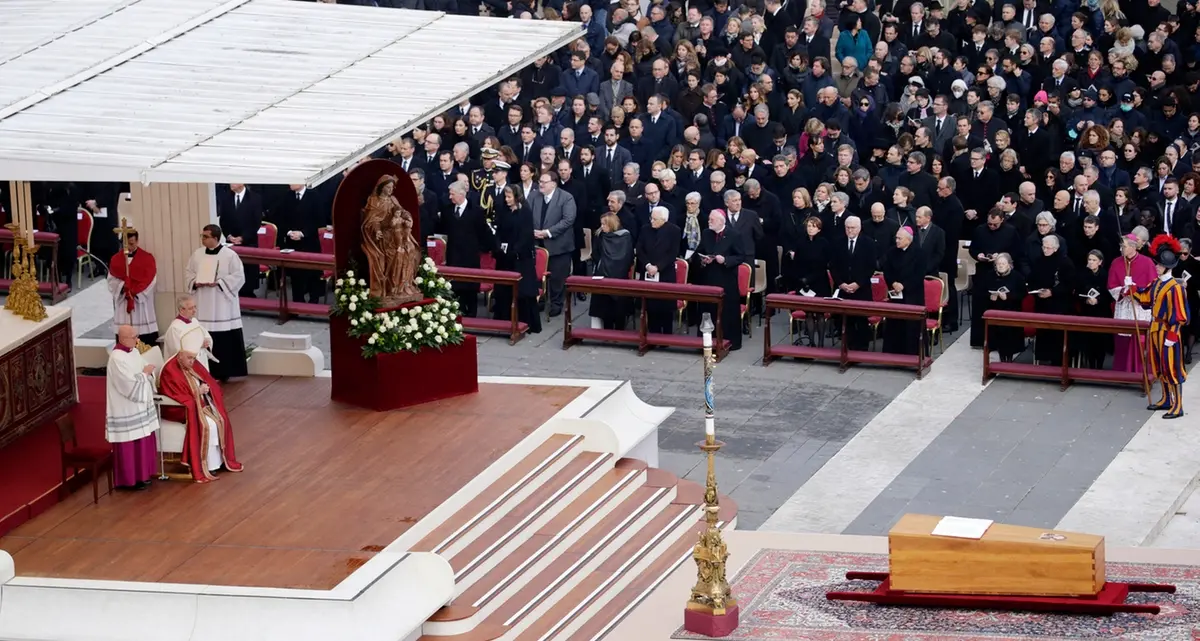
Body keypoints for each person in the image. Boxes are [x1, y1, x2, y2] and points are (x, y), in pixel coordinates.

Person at [158, 350, 245, 482]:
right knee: (208, 424)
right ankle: (207, 465)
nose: (192, 361)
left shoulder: (191, 363)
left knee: (219, 419)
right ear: (180, 356)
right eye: (189, 358)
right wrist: (197, 392)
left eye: (194, 358)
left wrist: (207, 389)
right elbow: (174, 395)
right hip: (179, 409)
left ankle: (219, 461)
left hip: (199, 404)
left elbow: (208, 379)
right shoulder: (170, 370)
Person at [1128, 235, 1190, 419]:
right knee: (1160, 367)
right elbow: (1146, 299)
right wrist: (1132, 288)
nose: (1156, 267)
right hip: (1155, 330)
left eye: (1159, 265)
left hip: (1168, 333)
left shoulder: (1175, 288)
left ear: (1166, 267)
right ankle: (1166, 399)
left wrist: (1172, 336)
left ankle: (1177, 405)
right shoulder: (1155, 283)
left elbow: (1181, 316)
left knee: (1172, 369)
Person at [185, 224, 248, 382]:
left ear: (215, 238)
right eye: (202, 236)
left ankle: (223, 372)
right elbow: (188, 273)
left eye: (205, 237)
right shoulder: (197, 254)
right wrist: (195, 282)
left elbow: (239, 276)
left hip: (222, 305)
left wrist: (220, 283)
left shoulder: (230, 255)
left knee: (222, 339)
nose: (203, 239)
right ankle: (205, 371)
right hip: (203, 301)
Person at [105, 325, 161, 491]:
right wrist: (144, 374)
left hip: (140, 406)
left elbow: (145, 369)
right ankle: (129, 480)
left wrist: (148, 373)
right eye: (133, 337)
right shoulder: (117, 358)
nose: (137, 340)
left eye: (137, 336)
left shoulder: (134, 352)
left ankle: (144, 475)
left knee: (143, 439)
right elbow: (127, 385)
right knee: (130, 443)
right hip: (126, 407)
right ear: (122, 339)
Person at [491, 181, 542, 333]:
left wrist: (515, 250)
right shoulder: (503, 210)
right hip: (504, 257)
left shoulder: (525, 212)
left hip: (521, 258)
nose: (506, 199)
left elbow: (526, 235)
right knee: (503, 291)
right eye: (505, 196)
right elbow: (498, 230)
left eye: (509, 197)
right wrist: (499, 246)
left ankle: (526, 322)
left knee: (523, 291)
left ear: (516, 197)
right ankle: (503, 320)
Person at [695, 210, 749, 350]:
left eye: (712, 220)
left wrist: (725, 260)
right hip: (708, 278)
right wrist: (703, 259)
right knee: (707, 311)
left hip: (726, 280)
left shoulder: (734, 235)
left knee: (727, 312)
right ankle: (706, 341)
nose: (709, 222)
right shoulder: (707, 233)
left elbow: (740, 256)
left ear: (721, 221)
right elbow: (698, 251)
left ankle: (729, 342)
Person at [1107, 234, 1157, 374]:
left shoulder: (1147, 262)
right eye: (1121, 246)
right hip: (1124, 307)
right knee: (1122, 341)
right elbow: (1111, 286)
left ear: (1133, 247)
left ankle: (1141, 373)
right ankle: (1122, 372)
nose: (1121, 249)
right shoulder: (1116, 262)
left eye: (1124, 246)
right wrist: (1123, 290)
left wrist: (1136, 291)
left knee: (1140, 341)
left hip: (1139, 308)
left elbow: (1152, 287)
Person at [1027, 235, 1075, 366]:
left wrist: (1052, 292)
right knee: (1044, 335)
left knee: (1057, 338)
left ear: (1056, 248)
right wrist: (1036, 291)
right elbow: (1031, 280)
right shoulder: (1038, 261)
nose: (1046, 250)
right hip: (1042, 304)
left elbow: (1069, 285)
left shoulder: (1065, 263)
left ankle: (1059, 363)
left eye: (1049, 248)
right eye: (1044, 247)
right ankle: (1043, 361)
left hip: (1059, 306)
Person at [107, 229, 158, 346]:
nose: (129, 247)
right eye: (126, 244)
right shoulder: (116, 259)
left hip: (140, 303)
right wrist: (123, 287)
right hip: (123, 302)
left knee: (144, 340)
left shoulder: (147, 258)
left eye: (131, 243)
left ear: (137, 241)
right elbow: (111, 280)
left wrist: (135, 292)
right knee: (125, 332)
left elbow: (151, 280)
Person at [881, 226, 926, 355]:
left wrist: (904, 285)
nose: (897, 241)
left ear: (909, 239)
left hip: (913, 295)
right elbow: (887, 271)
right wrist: (893, 283)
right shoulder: (891, 252)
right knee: (895, 325)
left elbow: (919, 274)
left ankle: (913, 354)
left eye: (900, 238)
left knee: (912, 327)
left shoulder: (920, 253)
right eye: (896, 238)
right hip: (896, 295)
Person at [636, 206, 681, 334]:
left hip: (666, 272)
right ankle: (652, 334)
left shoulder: (674, 231)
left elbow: (673, 253)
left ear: (664, 220)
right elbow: (639, 249)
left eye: (655, 219)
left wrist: (658, 267)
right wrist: (648, 265)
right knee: (651, 305)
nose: (652, 221)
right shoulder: (645, 229)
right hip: (648, 271)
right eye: (651, 218)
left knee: (665, 306)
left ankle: (666, 336)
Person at [977, 253, 1027, 362]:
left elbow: (1023, 294)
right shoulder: (989, 276)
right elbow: (981, 292)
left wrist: (1008, 297)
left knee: (1009, 334)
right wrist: (990, 297)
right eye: (998, 264)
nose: (1000, 266)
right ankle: (998, 357)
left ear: (1009, 265)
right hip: (995, 310)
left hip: (1011, 311)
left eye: (1003, 264)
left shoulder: (1017, 277)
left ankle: (1008, 358)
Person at [589, 213, 635, 330]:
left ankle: (620, 328)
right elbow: (596, 253)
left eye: (604, 224)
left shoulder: (625, 236)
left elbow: (628, 256)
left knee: (619, 304)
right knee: (604, 304)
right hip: (602, 273)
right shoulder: (601, 235)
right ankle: (607, 328)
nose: (602, 226)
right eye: (601, 224)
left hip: (619, 274)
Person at [1072, 250, 1113, 369]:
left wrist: (1098, 300)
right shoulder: (1082, 275)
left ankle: (1099, 366)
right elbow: (1076, 293)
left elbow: (1109, 294)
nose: (1091, 262)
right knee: (1089, 341)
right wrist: (1086, 300)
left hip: (1102, 313)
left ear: (1100, 262)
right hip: (1087, 312)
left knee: (1100, 341)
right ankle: (1090, 365)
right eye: (1089, 260)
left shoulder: (1105, 275)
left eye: (1094, 260)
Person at [161, 295, 214, 372]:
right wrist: (199, 345)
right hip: (185, 369)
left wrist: (206, 342)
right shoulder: (175, 328)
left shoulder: (194, 321)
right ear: (181, 310)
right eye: (191, 308)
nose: (194, 310)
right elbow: (178, 352)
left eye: (195, 307)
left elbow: (205, 335)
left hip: (201, 359)